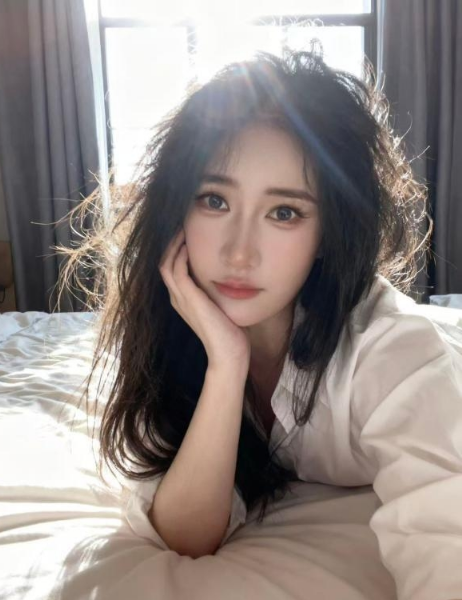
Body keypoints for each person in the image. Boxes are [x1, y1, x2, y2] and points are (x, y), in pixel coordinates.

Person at [62, 48, 462, 598]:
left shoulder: (393, 350)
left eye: (284, 212)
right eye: (214, 200)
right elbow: (185, 535)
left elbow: (445, 528)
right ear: (177, 212)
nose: (239, 254)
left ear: (327, 235)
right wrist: (226, 366)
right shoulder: (166, 338)